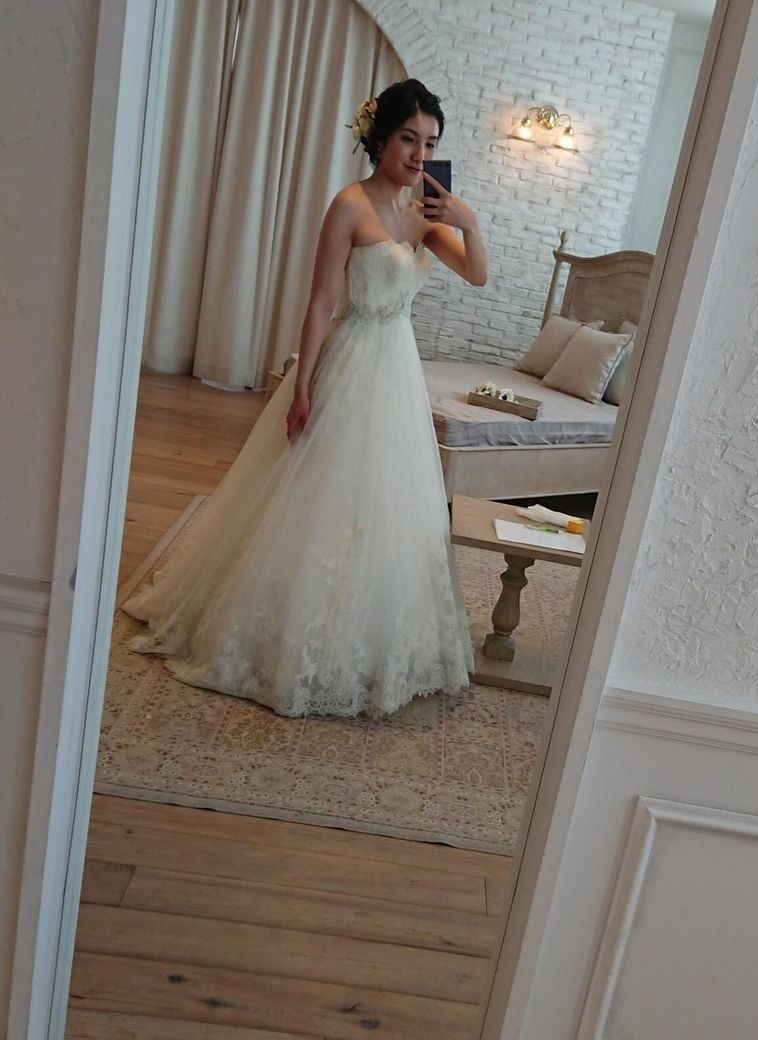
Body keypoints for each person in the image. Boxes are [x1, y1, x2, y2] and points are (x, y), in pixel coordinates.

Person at [122, 78, 488, 718]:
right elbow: (320, 303)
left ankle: (364, 630)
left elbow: (477, 275)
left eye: (430, 143)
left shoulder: (424, 215)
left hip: (398, 368)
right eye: (409, 139)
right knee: (312, 492)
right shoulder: (349, 205)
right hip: (351, 358)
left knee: (384, 502)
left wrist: (470, 223)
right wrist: (303, 386)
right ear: (381, 138)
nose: (420, 155)